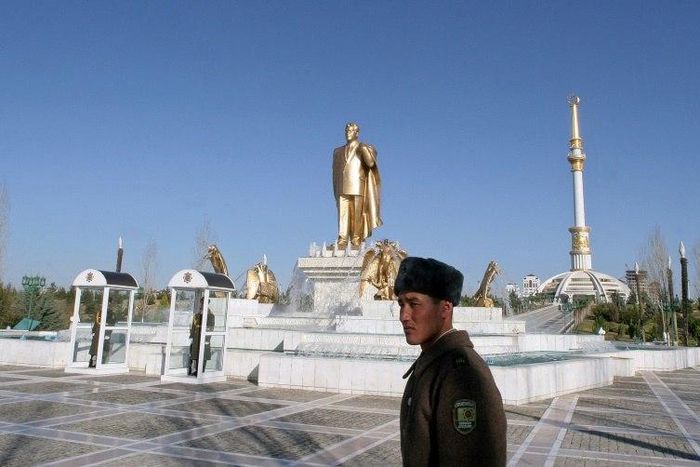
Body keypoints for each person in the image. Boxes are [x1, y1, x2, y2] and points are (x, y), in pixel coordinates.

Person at [395, 257, 506, 466]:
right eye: (401, 304)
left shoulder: (460, 374)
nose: (404, 315)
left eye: (414, 304)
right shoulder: (433, 364)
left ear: (445, 308)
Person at [332, 122, 382, 249]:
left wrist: (365, 150)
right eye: (346, 131)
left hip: (357, 185)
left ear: (357, 133)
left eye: (350, 131)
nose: (347, 133)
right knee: (342, 214)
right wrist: (335, 189)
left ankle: (356, 238)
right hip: (341, 186)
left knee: (357, 214)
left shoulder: (363, 147)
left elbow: (370, 164)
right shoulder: (337, 151)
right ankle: (342, 239)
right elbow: (334, 171)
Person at [188, 297, 214, 376]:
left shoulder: (210, 315)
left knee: (203, 355)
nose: (202, 304)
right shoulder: (197, 314)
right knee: (194, 354)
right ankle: (195, 370)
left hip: (203, 337)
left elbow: (210, 327)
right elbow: (194, 325)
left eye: (204, 303)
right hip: (196, 337)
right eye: (201, 302)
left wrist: (207, 339)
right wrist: (192, 336)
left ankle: (201, 371)